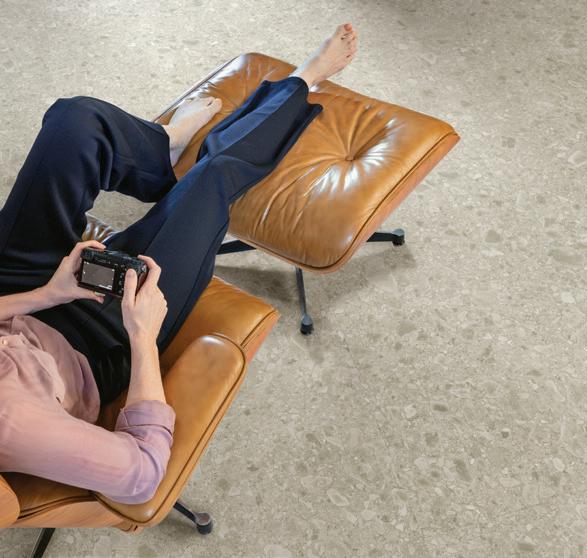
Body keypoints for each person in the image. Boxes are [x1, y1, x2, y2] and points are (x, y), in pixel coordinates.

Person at [0, 24, 358, 505]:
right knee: (211, 179)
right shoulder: (15, 426)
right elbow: (142, 474)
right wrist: (142, 334)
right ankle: (303, 82)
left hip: (20, 293)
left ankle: (160, 149)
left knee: (75, 122)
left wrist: (45, 295)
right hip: (96, 343)